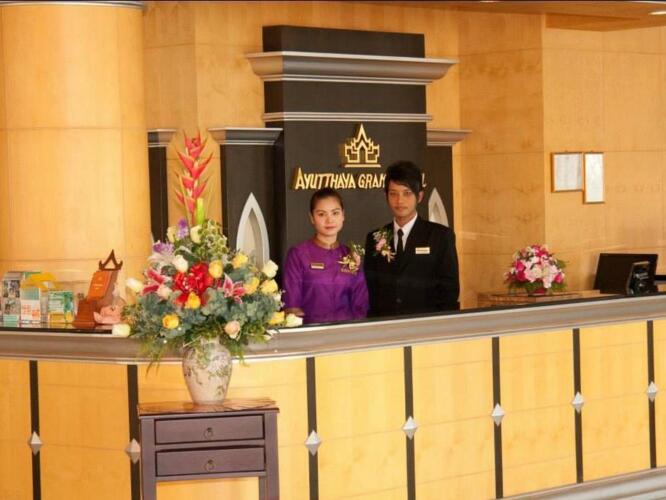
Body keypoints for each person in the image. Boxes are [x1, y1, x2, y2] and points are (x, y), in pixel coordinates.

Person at [364, 161, 460, 316]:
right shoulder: (375, 238)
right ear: (386, 196)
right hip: (387, 326)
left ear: (419, 196)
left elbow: (450, 292)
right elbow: (371, 290)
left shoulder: (440, 236)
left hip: (426, 325)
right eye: (393, 193)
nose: (400, 200)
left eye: (407, 193)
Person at [283, 188, 369, 324]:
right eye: (321, 214)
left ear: (343, 215)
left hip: (347, 332)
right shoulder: (299, 254)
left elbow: (361, 304)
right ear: (312, 218)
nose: (329, 220)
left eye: (335, 213)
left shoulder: (350, 255)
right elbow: (292, 306)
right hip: (312, 332)